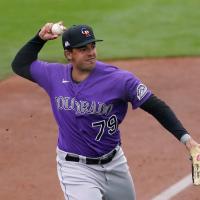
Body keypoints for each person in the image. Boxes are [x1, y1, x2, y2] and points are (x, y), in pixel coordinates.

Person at [11, 22, 199, 200]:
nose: (91, 53)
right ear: (69, 54)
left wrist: (187, 141)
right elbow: (20, 65)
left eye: (92, 46)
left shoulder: (119, 80)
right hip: (75, 169)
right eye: (83, 49)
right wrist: (39, 38)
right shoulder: (53, 75)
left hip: (114, 163)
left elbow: (156, 106)